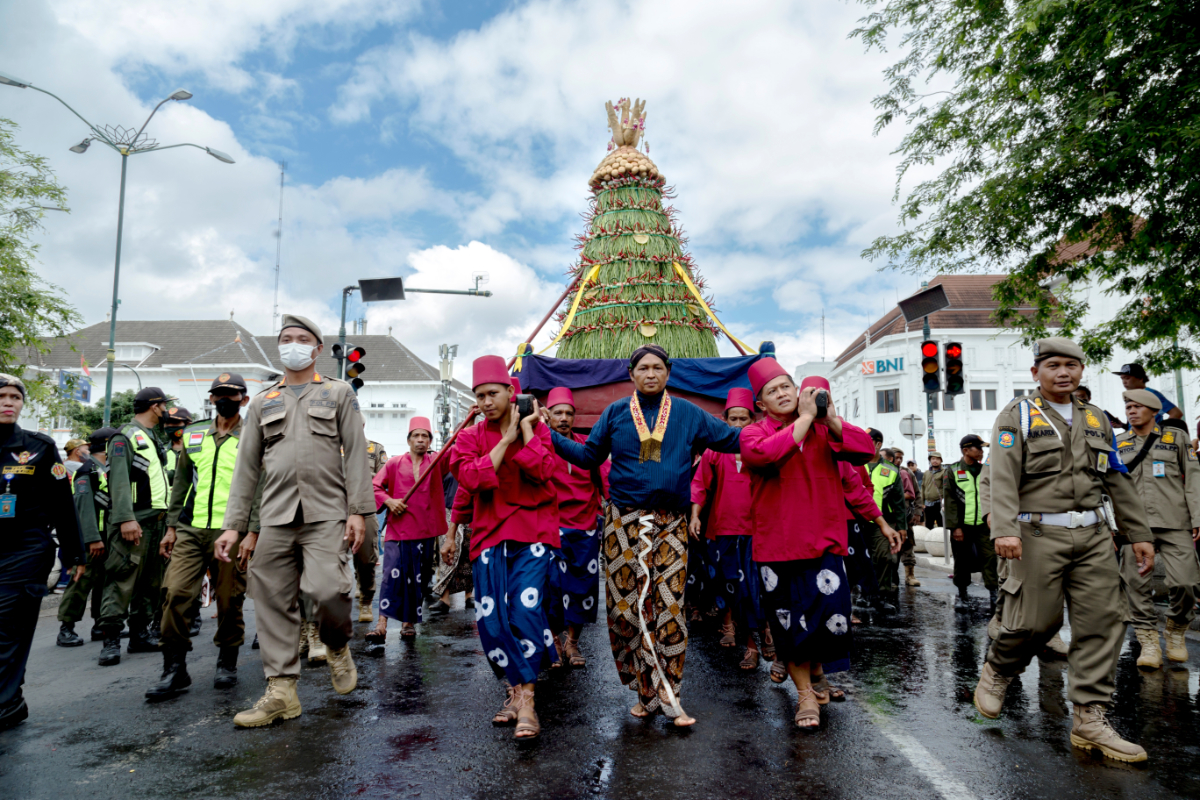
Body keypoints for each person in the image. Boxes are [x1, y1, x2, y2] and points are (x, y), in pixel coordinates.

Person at [974, 337, 1155, 763]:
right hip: (1035, 534)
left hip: (1093, 534)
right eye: (1053, 364)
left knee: (1103, 622)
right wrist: (1003, 529)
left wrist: (1139, 532)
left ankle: (1090, 717)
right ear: (1035, 372)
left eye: (1071, 365)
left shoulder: (1096, 418)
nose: (1063, 372)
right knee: (1036, 621)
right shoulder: (1017, 415)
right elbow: (1001, 477)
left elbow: (1116, 478)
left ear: (1081, 371)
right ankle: (999, 669)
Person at [549, 345, 742, 727]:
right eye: (643, 368)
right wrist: (545, 433)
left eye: (657, 368)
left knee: (669, 608)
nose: (651, 374)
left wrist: (787, 426)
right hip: (622, 524)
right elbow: (588, 458)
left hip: (672, 524)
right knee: (626, 610)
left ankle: (671, 693)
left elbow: (733, 440)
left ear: (668, 372)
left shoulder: (688, 414)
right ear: (632, 374)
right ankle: (644, 689)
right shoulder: (616, 413)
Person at [216, 314, 373, 727]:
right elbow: (247, 468)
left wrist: (358, 510)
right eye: (286, 338)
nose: (294, 344)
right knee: (269, 599)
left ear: (318, 349)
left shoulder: (339, 393)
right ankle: (281, 691)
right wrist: (234, 525)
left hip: (326, 513)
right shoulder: (263, 401)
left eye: (302, 339)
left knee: (328, 591)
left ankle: (336, 644)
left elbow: (356, 453)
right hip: (276, 516)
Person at [741, 366, 889, 728]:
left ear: (797, 388)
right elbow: (766, 457)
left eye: (786, 386)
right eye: (772, 391)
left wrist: (832, 419)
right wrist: (805, 419)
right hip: (777, 546)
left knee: (829, 618)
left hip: (824, 540)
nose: (781, 393)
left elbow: (864, 451)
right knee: (787, 625)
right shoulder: (752, 432)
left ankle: (819, 672)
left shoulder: (824, 428)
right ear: (760, 403)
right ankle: (805, 694)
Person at [449, 355, 559, 740]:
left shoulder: (539, 429)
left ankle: (526, 700)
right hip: (489, 536)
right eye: (479, 395)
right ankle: (513, 691)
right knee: (492, 619)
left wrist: (527, 431)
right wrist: (507, 440)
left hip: (533, 531)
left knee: (526, 609)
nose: (485, 402)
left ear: (511, 393)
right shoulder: (469, 437)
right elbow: (470, 478)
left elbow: (545, 472)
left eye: (492, 393)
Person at [146, 373, 261, 700]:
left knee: (228, 599)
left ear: (244, 399)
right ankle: (174, 669)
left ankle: (227, 661)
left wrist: (252, 532)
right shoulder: (194, 433)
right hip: (190, 529)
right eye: (219, 394)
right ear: (211, 399)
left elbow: (261, 486)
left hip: (232, 531)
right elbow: (181, 482)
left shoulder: (254, 435)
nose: (225, 399)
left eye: (233, 394)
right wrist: (170, 527)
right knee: (176, 594)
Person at [0, 374, 85, 731]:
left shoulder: (39, 447)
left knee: (6, 625)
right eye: (2, 396)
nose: (9, 402)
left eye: (15, 397)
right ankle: (13, 699)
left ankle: (4, 702)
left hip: (26, 549)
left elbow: (62, 505)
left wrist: (74, 555)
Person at [1115, 389, 1200, 668]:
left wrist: (1197, 517)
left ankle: (1176, 628)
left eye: (1138, 406)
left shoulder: (1176, 439)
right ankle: (1149, 640)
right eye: (1128, 406)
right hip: (1134, 526)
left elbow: (1193, 478)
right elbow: (1110, 486)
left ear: (1154, 411)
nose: (1131, 411)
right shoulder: (1118, 443)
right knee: (1137, 585)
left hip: (1175, 520)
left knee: (1186, 582)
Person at [689, 387, 767, 671]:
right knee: (725, 582)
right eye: (732, 419)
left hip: (757, 528)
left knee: (753, 588)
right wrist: (695, 515)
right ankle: (728, 625)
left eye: (742, 419)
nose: (737, 425)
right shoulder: (714, 451)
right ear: (724, 420)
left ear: (752, 420)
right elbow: (699, 485)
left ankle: (753, 644)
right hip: (722, 528)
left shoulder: (762, 447)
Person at [97, 386, 174, 665]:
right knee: (121, 578)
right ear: (155, 406)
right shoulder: (124, 436)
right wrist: (125, 518)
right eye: (164, 406)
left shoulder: (152, 436)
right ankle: (111, 640)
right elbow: (117, 480)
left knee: (150, 582)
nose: (166, 411)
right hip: (134, 520)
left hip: (156, 521)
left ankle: (140, 635)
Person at [544, 387, 607, 668]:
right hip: (549, 529)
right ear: (548, 415)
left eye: (569, 413)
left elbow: (606, 482)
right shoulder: (540, 445)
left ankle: (572, 644)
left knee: (581, 588)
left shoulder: (587, 446)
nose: (564, 418)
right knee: (551, 589)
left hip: (585, 529)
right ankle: (555, 642)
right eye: (558, 412)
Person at [371, 416, 446, 640]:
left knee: (417, 578)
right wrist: (389, 501)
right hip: (397, 530)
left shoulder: (436, 462)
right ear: (408, 440)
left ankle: (408, 623)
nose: (420, 440)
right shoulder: (394, 463)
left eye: (425, 436)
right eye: (416, 436)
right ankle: (381, 623)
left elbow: (457, 446)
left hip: (424, 531)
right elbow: (375, 486)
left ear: (430, 441)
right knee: (390, 575)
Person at [56, 427, 117, 647]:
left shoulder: (106, 467)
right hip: (93, 538)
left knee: (103, 583)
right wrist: (92, 538)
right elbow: (84, 507)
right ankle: (66, 628)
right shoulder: (87, 470)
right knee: (80, 583)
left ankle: (100, 625)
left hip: (107, 537)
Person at [942, 434, 997, 612]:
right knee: (962, 560)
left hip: (984, 524)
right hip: (962, 526)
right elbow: (949, 500)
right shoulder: (953, 470)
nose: (982, 452)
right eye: (979, 448)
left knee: (990, 558)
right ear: (966, 450)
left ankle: (994, 595)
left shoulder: (986, 470)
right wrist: (955, 527)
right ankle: (962, 594)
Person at [865, 432, 907, 604]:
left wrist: (902, 526)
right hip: (856, 522)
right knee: (861, 560)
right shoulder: (854, 465)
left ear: (877, 444)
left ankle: (882, 596)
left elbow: (899, 501)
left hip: (884, 523)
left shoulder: (891, 470)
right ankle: (864, 594)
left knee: (885, 557)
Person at [355, 436, 388, 624]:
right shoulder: (330, 445)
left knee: (367, 558)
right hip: (335, 508)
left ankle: (366, 598)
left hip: (365, 507)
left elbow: (382, 479)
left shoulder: (374, 449)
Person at [1113, 363, 1183, 422]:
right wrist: (1122, 425)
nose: (1124, 382)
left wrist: (1162, 431)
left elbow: (1176, 413)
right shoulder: (1129, 396)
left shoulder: (1151, 394)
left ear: (1140, 378)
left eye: (1127, 378)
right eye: (1122, 378)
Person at [162, 406, 193, 485]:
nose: (169, 425)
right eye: (167, 422)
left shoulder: (196, 449)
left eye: (175, 422)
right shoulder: (161, 449)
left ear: (188, 425)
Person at [921, 452, 944, 528]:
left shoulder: (944, 472)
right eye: (933, 458)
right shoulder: (926, 473)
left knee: (941, 526)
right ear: (930, 460)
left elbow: (947, 488)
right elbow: (923, 487)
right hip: (928, 505)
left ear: (941, 460)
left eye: (937, 459)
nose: (935, 460)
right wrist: (922, 503)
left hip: (939, 504)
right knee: (928, 526)